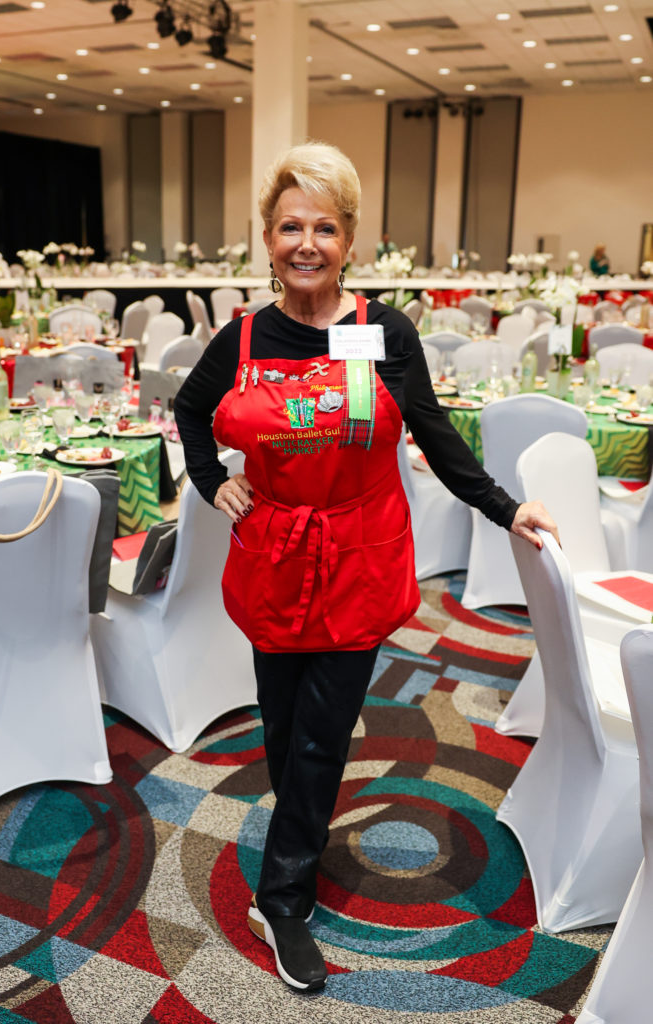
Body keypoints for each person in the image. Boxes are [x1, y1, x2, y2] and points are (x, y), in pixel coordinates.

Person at [174, 142, 558, 993]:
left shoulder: (382, 332)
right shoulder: (239, 336)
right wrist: (212, 484)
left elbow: (431, 429)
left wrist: (503, 506)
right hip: (273, 560)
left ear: (348, 239)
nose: (305, 243)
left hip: (357, 558)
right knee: (284, 734)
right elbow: (188, 410)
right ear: (266, 238)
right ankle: (295, 841)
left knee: (320, 732)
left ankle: (283, 898)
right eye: (289, 227)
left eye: (324, 227)